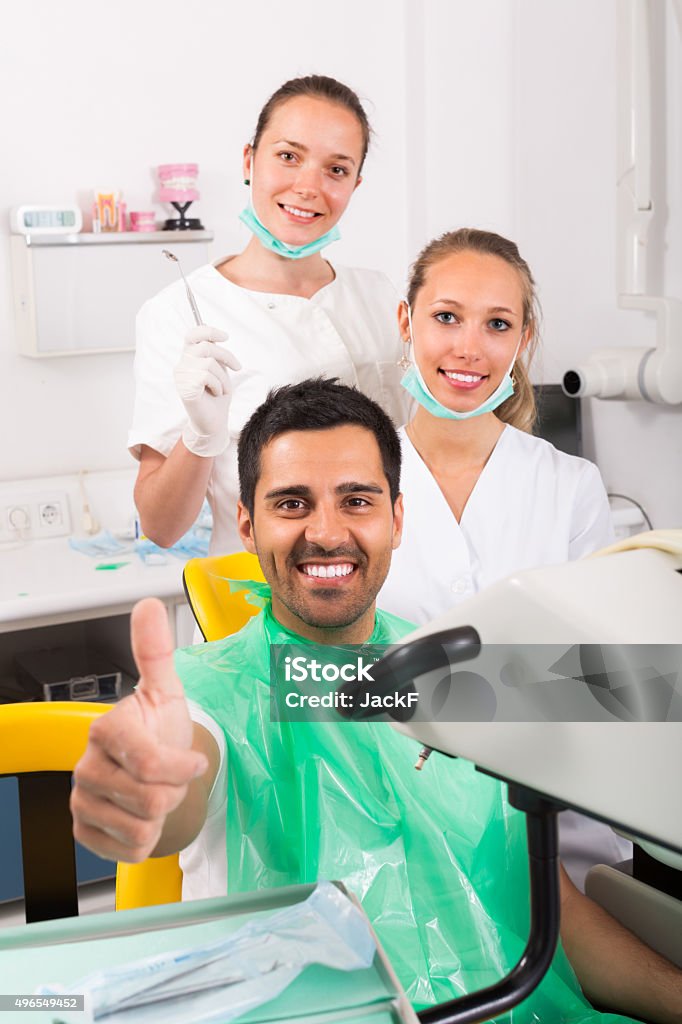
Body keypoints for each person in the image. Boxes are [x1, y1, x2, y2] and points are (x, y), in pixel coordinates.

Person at [73, 380, 682, 1024]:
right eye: (292, 503)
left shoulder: (466, 675)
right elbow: (177, 780)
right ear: (248, 527)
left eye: (355, 500)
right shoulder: (209, 691)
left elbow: (547, 911)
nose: (326, 532)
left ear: (395, 519)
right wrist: (143, 786)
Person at [377, 228, 625, 887]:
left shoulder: (569, 486)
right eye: (446, 317)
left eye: (497, 324)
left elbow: (606, 683)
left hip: (548, 829)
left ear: (524, 340)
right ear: (407, 321)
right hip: (394, 825)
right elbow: (320, 675)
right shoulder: (354, 483)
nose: (468, 347)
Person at [128, 75, 410, 558]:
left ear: (355, 184)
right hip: (261, 601)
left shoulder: (380, 295)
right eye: (288, 156)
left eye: (336, 170)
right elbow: (160, 526)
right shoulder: (178, 312)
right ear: (249, 160)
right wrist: (200, 436)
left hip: (390, 589)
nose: (308, 187)